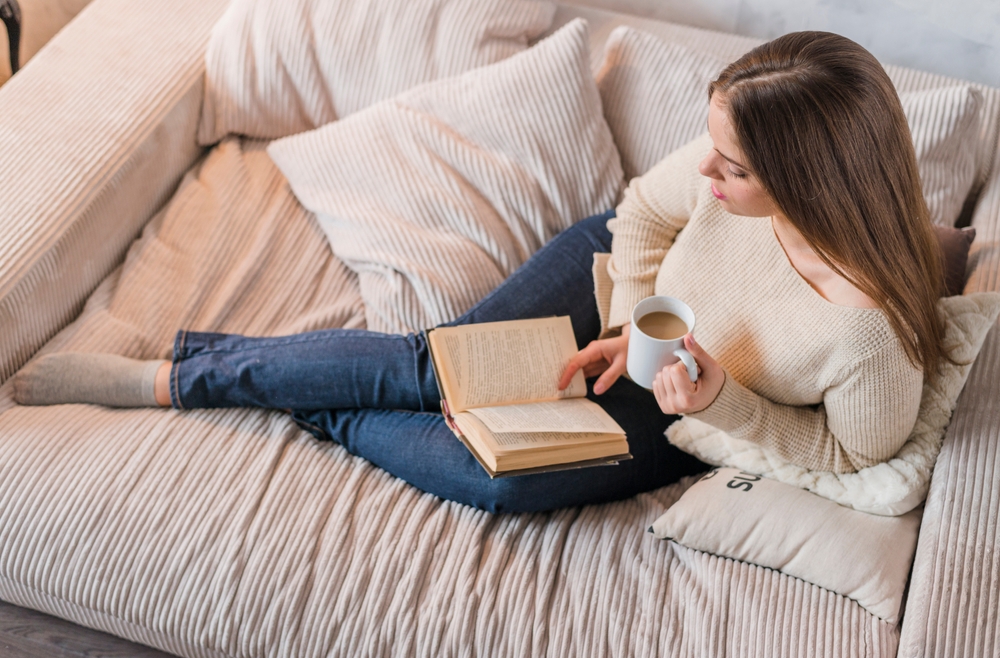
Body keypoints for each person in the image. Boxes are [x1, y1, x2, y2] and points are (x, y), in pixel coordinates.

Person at [13, 31, 950, 513]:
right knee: (437, 368)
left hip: (686, 398)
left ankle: (313, 402)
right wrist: (625, 322)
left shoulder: (865, 334)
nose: (706, 174)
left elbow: (846, 455)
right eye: (711, 148)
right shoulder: (721, 167)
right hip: (617, 283)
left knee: (500, 476)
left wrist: (714, 405)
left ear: (810, 180)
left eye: (733, 169)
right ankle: (182, 378)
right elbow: (644, 214)